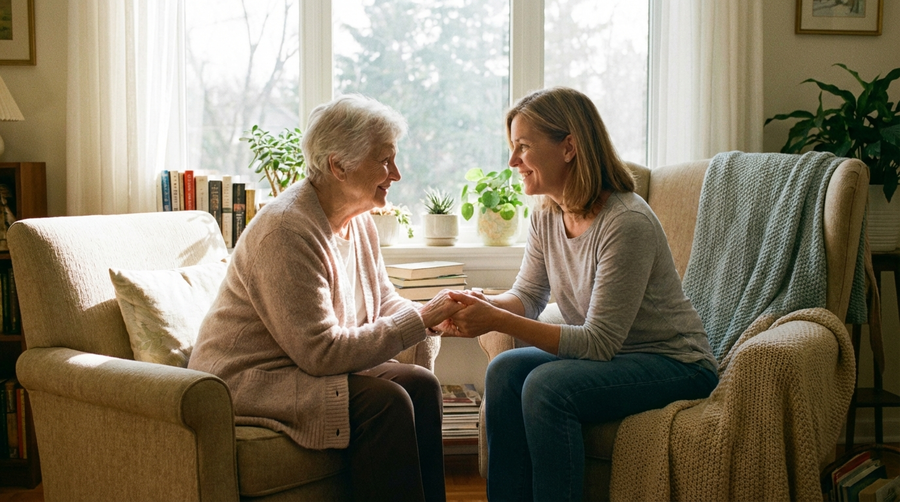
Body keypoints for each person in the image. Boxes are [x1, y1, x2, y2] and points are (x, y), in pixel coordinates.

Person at [442, 87, 719, 501]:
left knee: (547, 386)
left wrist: (497, 319)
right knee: (505, 371)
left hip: (675, 363)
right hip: (618, 357)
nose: (513, 162)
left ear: (568, 146)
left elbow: (598, 343)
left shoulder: (626, 222)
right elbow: (529, 296)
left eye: (523, 147)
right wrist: (480, 304)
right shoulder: (547, 215)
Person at [189, 94, 462, 502]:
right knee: (385, 403)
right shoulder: (286, 230)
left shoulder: (360, 219)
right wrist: (420, 319)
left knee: (420, 385)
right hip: (256, 380)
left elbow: (383, 299)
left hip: (304, 368)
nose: (397, 174)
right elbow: (321, 352)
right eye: (385, 161)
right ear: (339, 165)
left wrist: (431, 317)